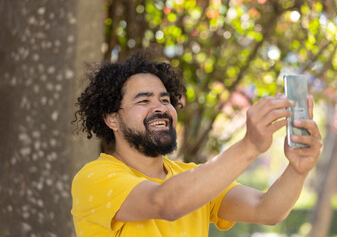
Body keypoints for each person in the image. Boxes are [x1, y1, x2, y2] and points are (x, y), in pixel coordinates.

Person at [71, 51, 322, 237]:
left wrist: (298, 169)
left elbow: (266, 209)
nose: (160, 107)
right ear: (111, 118)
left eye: (165, 99)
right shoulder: (94, 177)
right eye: (143, 101)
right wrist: (249, 147)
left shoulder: (192, 178)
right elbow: (165, 203)